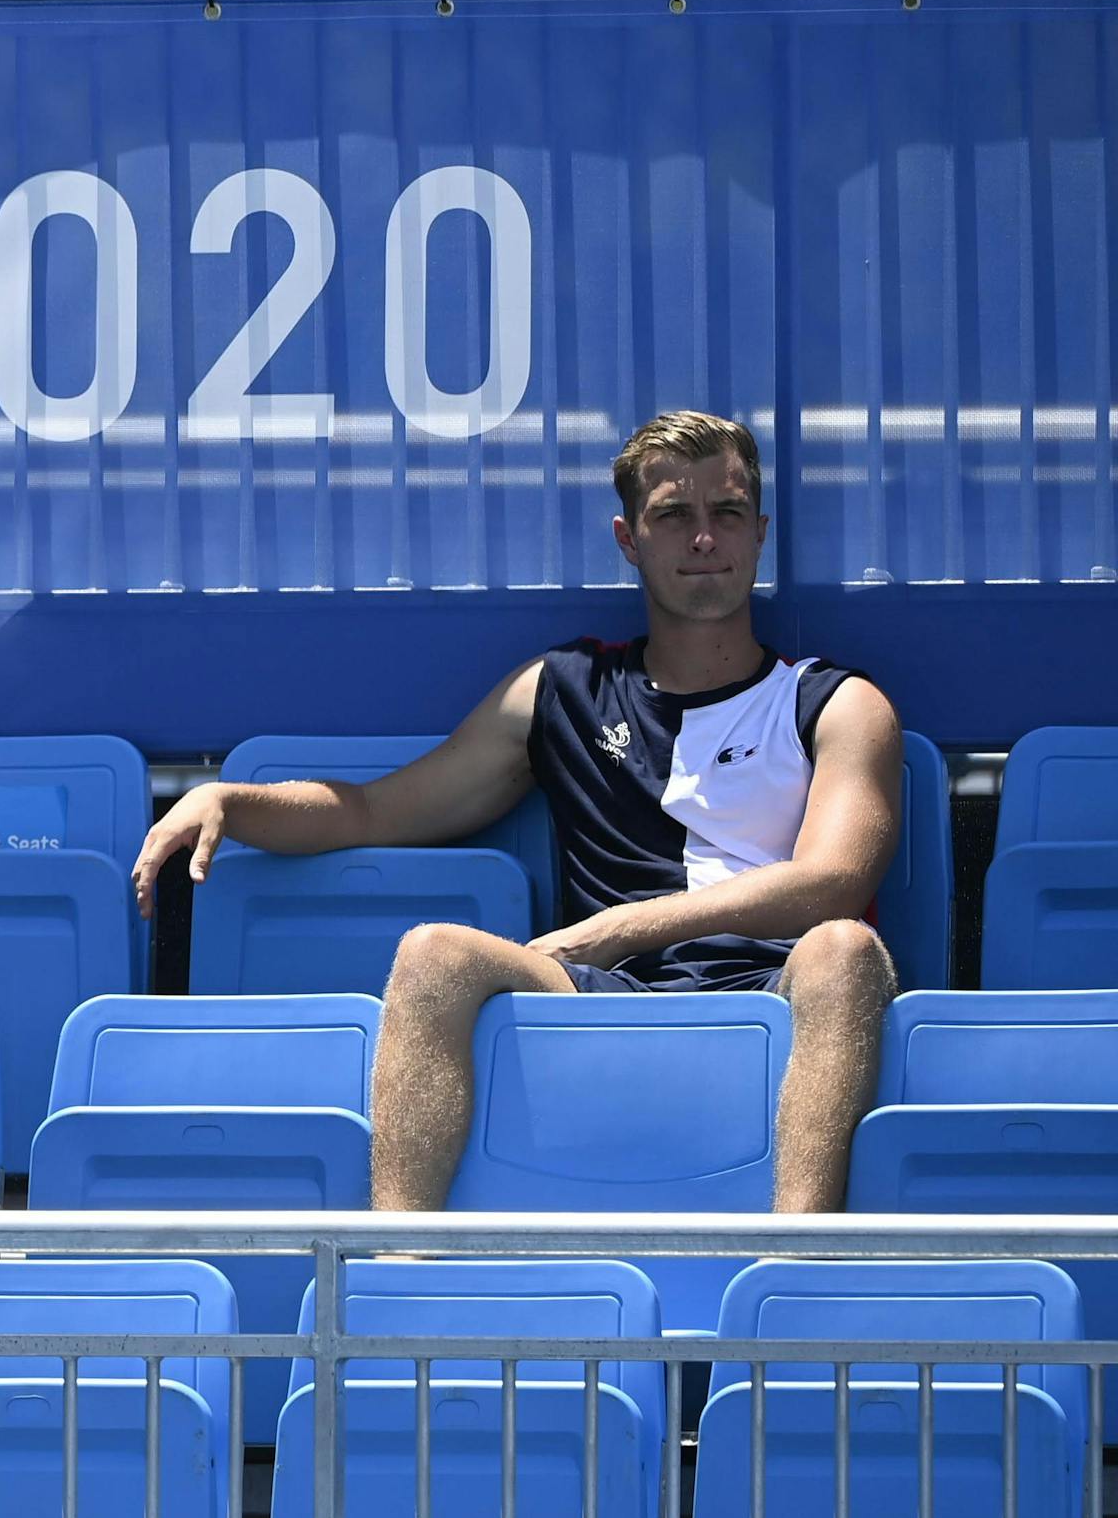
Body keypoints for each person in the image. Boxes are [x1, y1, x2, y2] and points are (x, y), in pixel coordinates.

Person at [133, 411, 902, 1213]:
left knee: (846, 953)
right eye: (673, 515)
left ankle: (793, 1264)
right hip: (601, 993)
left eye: (728, 513)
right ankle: (400, 1276)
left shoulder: (838, 703)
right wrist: (231, 801)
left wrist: (617, 928)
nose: (703, 538)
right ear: (629, 539)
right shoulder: (561, 690)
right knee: (434, 955)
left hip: (770, 986)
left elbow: (833, 884)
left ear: (760, 532)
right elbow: (370, 811)